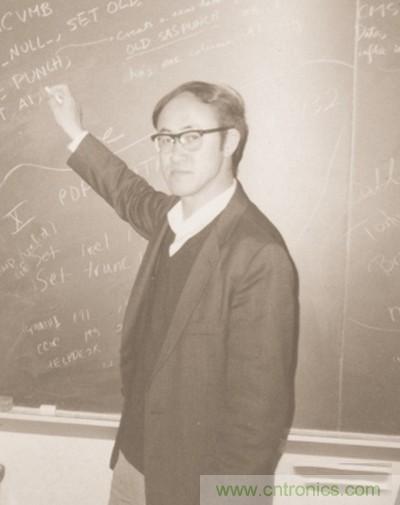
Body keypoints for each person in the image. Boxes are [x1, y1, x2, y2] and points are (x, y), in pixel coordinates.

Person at [46, 81, 299, 505]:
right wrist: (74, 129)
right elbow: (127, 191)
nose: (174, 152)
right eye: (165, 138)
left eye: (191, 136)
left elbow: (258, 420)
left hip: (192, 486)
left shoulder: (258, 255)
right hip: (133, 462)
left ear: (230, 142)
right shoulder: (171, 219)